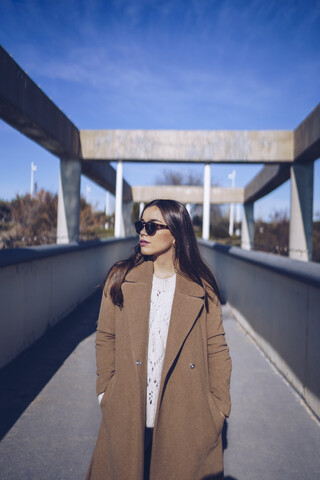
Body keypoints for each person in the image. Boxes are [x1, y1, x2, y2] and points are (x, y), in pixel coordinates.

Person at [85, 199, 232, 480]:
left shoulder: (202, 288)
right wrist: (105, 391)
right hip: (128, 407)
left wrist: (219, 408)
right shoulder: (120, 278)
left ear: (176, 234)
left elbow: (217, 348)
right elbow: (105, 336)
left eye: (152, 227)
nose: (143, 232)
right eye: (141, 225)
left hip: (186, 412)